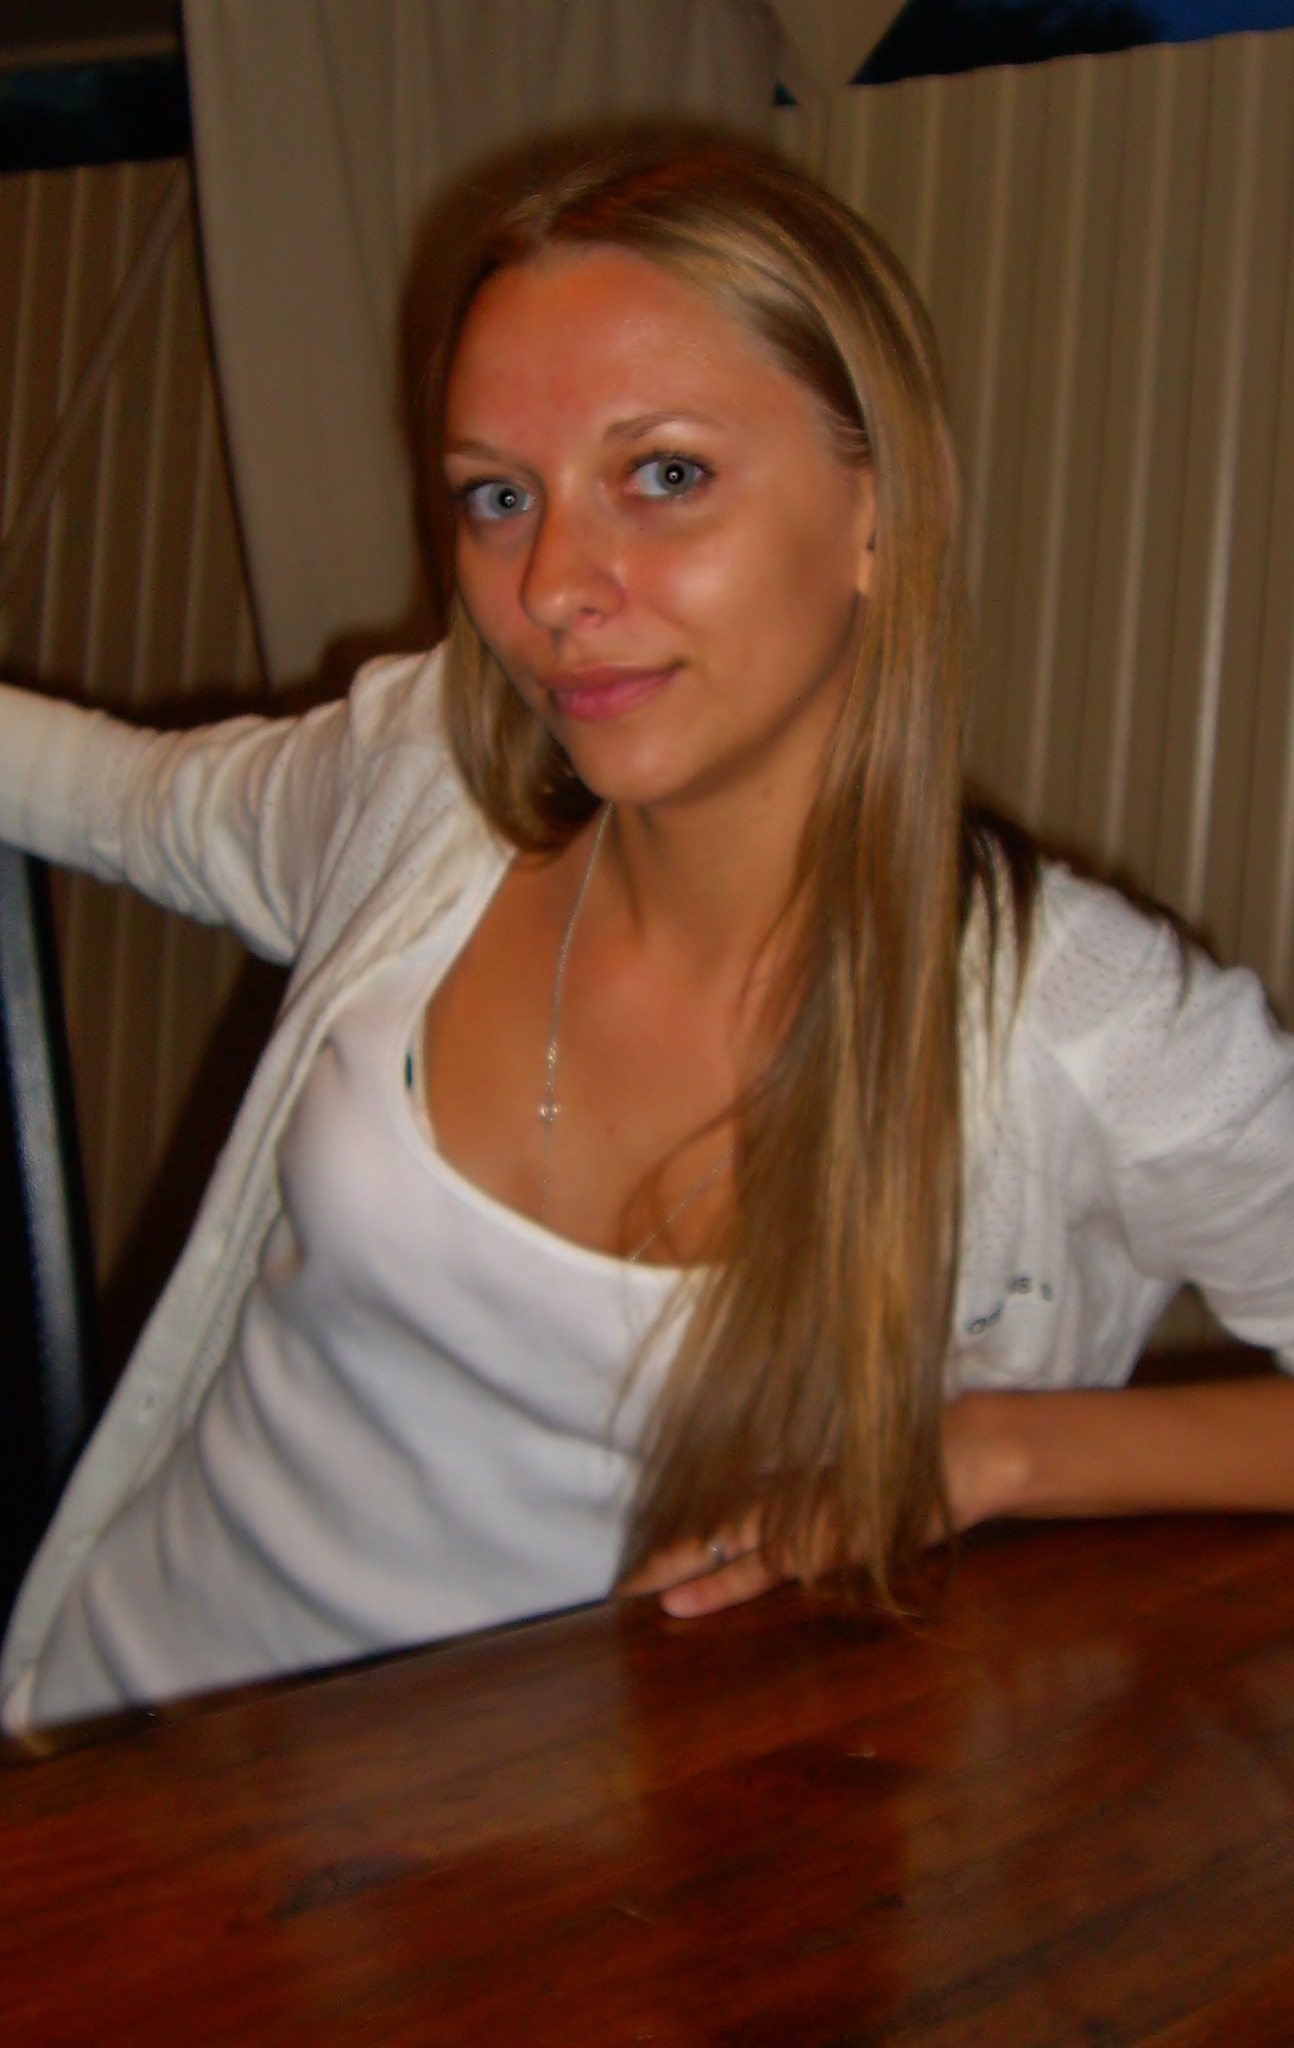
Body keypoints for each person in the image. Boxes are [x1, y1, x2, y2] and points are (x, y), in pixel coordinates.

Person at [1, 133, 1291, 1734]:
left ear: (876, 512)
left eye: (663, 475)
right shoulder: (419, 791)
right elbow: (115, 795)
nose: (552, 585)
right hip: (110, 1766)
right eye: (497, 497)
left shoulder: (1083, 1031)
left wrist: (1002, 1451)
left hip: (610, 1884)